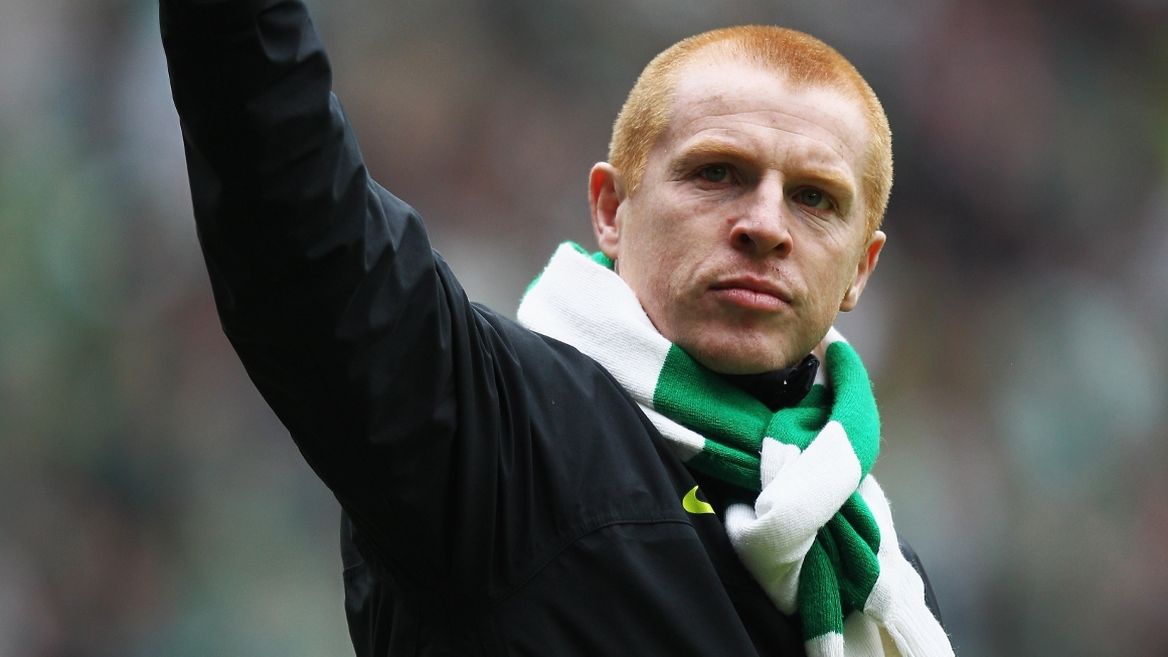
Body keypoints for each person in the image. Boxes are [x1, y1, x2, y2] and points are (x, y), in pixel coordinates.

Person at [161, 1, 955, 655]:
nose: (764, 224)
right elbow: (304, 237)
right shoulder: (503, 430)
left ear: (861, 268)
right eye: (717, 172)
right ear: (611, 209)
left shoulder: (878, 566)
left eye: (815, 198)